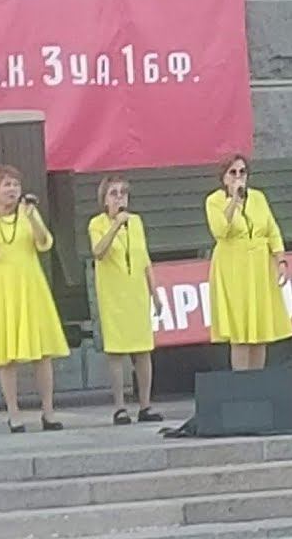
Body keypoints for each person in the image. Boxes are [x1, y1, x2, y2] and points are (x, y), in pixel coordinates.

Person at [0, 164, 69, 433]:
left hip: (29, 287)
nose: (12, 190)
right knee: (6, 355)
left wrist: (32, 217)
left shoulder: (27, 214)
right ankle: (14, 413)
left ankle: (48, 412)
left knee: (42, 353)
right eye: (7, 185)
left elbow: (45, 243)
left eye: (16, 185)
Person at [88, 175, 165, 426]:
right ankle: (120, 407)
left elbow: (144, 259)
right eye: (114, 193)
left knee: (143, 349)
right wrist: (115, 226)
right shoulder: (97, 224)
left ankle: (145, 405)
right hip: (113, 295)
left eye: (123, 193)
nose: (119, 197)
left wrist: (155, 293)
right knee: (117, 350)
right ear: (104, 200)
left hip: (136, 293)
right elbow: (99, 252)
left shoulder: (136, 222)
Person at [205, 154, 292, 371]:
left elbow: (272, 230)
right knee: (240, 332)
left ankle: (257, 381)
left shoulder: (259, 198)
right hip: (233, 269)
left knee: (260, 331)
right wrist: (233, 201)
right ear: (224, 178)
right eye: (233, 172)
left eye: (242, 172)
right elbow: (220, 230)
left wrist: (280, 259)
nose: (238, 176)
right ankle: (242, 382)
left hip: (260, 267)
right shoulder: (214, 201)